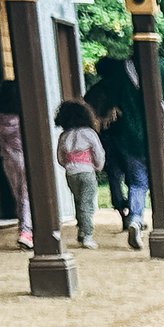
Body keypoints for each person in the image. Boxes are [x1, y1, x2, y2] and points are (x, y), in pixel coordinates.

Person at [87, 55, 149, 250]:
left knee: (114, 177)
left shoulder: (95, 91)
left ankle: (122, 211)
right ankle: (133, 216)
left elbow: (86, 112)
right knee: (135, 180)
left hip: (104, 139)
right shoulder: (125, 87)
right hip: (126, 138)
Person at [0, 80, 32, 250]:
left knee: (19, 197)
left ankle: (24, 229)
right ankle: (26, 232)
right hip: (25, 158)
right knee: (27, 196)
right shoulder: (23, 117)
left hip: (8, 160)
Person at [54, 99, 105, 248]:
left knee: (78, 201)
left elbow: (60, 158)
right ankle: (87, 234)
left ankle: (81, 231)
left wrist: (69, 165)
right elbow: (98, 153)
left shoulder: (64, 136)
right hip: (87, 171)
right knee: (86, 204)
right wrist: (98, 166)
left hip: (71, 173)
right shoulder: (89, 133)